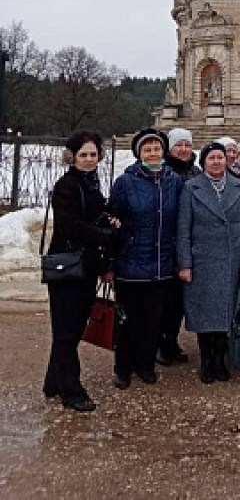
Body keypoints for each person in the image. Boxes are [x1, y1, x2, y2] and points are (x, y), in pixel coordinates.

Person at [43, 131, 119, 412]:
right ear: (73, 157)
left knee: (71, 329)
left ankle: (53, 383)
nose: (89, 159)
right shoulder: (67, 185)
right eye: (83, 155)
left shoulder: (90, 184)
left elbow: (95, 213)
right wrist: (102, 234)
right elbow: (69, 224)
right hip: (68, 267)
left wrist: (108, 220)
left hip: (84, 266)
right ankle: (71, 391)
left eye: (93, 154)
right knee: (66, 331)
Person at [108, 129, 183, 390]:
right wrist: (110, 263)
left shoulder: (174, 181)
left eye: (157, 149)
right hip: (130, 262)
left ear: (163, 152)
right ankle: (122, 367)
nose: (153, 153)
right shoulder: (125, 182)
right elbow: (112, 223)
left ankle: (145, 364)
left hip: (162, 264)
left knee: (154, 321)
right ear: (139, 154)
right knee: (128, 319)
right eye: (147, 149)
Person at [177, 142, 240, 383]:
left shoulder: (239, 186)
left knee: (225, 313)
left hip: (230, 260)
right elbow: (183, 229)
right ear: (204, 162)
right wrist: (185, 264)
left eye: (220, 157)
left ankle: (220, 359)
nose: (217, 162)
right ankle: (206, 360)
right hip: (202, 260)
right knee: (203, 314)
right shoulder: (191, 187)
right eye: (212, 158)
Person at [156, 127, 201, 366]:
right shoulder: (163, 172)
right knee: (167, 298)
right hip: (167, 242)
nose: (184, 149)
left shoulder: (196, 172)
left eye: (187, 145)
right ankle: (161, 344)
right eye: (179, 145)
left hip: (191, 243)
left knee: (181, 299)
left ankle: (169, 341)